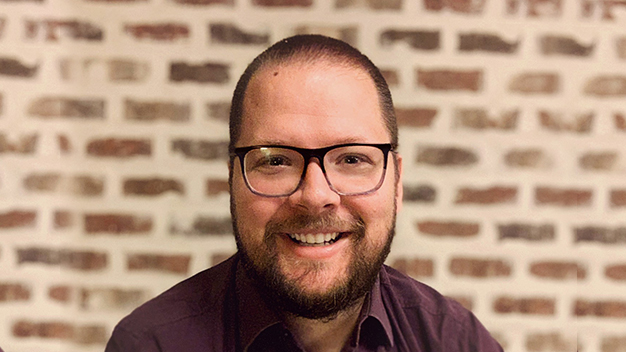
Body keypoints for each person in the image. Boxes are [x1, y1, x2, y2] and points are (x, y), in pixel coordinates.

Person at [105, 34, 503, 352]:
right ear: (232, 180)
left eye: (351, 160)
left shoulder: (456, 342)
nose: (315, 196)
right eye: (276, 161)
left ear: (396, 181)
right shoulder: (152, 343)